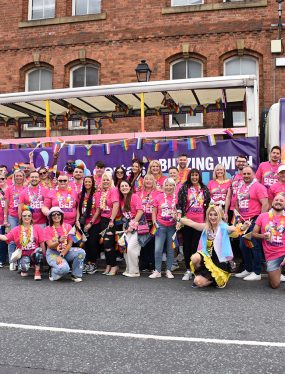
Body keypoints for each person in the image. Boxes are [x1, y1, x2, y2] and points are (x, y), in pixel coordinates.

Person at [180, 205, 235, 288]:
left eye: (215, 214)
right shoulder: (206, 227)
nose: (213, 217)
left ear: (219, 216)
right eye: (210, 214)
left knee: (199, 282)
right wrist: (178, 218)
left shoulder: (224, 227)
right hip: (207, 258)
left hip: (219, 262)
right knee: (195, 258)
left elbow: (234, 229)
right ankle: (201, 274)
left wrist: (243, 227)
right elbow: (192, 223)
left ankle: (214, 280)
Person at [235, 166, 269, 281]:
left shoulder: (258, 187)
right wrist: (239, 218)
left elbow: (265, 204)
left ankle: (257, 272)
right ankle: (248, 269)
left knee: (254, 246)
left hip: (254, 220)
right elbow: (237, 204)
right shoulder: (241, 187)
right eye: (244, 174)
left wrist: (259, 221)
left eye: (248, 173)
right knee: (243, 246)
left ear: (253, 174)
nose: (246, 176)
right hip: (243, 222)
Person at [177, 168, 211, 281]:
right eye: (192, 175)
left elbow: (208, 206)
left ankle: (196, 270)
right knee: (187, 246)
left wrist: (208, 221)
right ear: (189, 177)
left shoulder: (204, 189)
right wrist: (179, 218)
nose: (194, 177)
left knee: (197, 247)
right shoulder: (184, 188)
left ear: (199, 177)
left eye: (196, 175)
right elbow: (180, 205)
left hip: (200, 223)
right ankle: (188, 270)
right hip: (187, 222)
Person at [0, 207, 45, 280]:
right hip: (24, 254)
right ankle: (23, 267)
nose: (27, 217)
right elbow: (5, 238)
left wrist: (44, 255)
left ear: (31, 217)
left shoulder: (36, 228)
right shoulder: (17, 229)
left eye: (29, 215)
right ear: (21, 217)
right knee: (24, 272)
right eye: (24, 216)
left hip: (34, 253)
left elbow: (42, 243)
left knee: (38, 253)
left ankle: (37, 271)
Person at [45, 207, 86, 282]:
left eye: (58, 214)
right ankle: (53, 271)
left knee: (81, 252)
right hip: (53, 253)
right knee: (64, 269)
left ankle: (75, 274)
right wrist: (59, 241)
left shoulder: (68, 226)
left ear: (61, 215)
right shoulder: (47, 229)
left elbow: (70, 243)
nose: (56, 216)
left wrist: (62, 255)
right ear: (50, 217)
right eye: (53, 214)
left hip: (65, 252)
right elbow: (50, 245)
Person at [253, 194, 285, 288]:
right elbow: (253, 234)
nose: (278, 202)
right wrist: (263, 236)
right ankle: (278, 270)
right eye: (276, 200)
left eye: (281, 200)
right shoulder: (263, 216)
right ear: (272, 202)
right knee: (274, 285)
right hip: (272, 255)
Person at [149, 178, 177, 279]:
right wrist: (154, 222)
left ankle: (168, 270)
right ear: (163, 187)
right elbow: (154, 210)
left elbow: (179, 211)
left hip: (172, 226)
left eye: (171, 185)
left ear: (174, 186)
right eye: (167, 185)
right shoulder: (159, 197)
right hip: (160, 225)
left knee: (170, 249)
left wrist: (176, 217)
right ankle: (157, 270)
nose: (169, 187)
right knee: (158, 249)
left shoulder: (177, 197)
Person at [76, 176, 100, 275]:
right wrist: (77, 220)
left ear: (92, 183)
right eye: (86, 182)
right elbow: (78, 208)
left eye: (89, 182)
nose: (87, 183)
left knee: (92, 243)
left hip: (94, 223)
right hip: (82, 222)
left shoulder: (96, 194)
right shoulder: (80, 194)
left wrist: (90, 223)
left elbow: (98, 210)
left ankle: (93, 263)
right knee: (84, 244)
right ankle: (86, 263)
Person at [119, 180, 144, 277]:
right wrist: (125, 226)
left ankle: (135, 271)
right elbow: (125, 216)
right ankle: (128, 269)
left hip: (137, 227)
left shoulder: (134, 196)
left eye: (126, 186)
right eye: (122, 186)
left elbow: (140, 211)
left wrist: (132, 225)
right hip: (128, 228)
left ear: (130, 187)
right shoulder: (122, 200)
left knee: (131, 248)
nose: (124, 187)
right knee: (126, 249)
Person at [4, 169, 26, 270]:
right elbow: (6, 204)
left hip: (24, 217)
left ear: (23, 177)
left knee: (22, 238)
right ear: (14, 177)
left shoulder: (27, 188)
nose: (18, 178)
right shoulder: (9, 189)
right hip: (12, 216)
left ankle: (21, 260)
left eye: (20, 176)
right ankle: (12, 261)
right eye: (17, 176)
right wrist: (5, 219)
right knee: (12, 238)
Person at [99, 172, 119, 275]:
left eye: (107, 179)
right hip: (103, 219)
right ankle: (108, 265)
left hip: (110, 220)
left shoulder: (113, 190)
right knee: (105, 244)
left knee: (108, 244)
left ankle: (114, 266)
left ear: (111, 180)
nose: (105, 181)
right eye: (104, 180)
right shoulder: (103, 191)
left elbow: (116, 205)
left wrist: (112, 219)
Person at [138, 174, 159, 271]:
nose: (148, 181)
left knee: (153, 243)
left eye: (151, 179)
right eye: (146, 179)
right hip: (142, 222)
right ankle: (144, 263)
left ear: (153, 181)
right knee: (143, 242)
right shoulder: (139, 192)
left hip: (154, 221)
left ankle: (153, 264)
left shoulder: (158, 192)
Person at [225, 155, 248, 222]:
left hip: (245, 210)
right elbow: (228, 197)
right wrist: (226, 213)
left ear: (246, 163)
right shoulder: (232, 178)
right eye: (239, 161)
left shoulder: (250, 177)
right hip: (233, 210)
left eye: (243, 161)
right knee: (234, 231)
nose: (241, 163)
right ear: (236, 163)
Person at [0, 173, 8, 267]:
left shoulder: (10, 189)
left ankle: (2, 260)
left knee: (4, 241)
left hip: (6, 220)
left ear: (6, 179)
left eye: (2, 178)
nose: (1, 180)